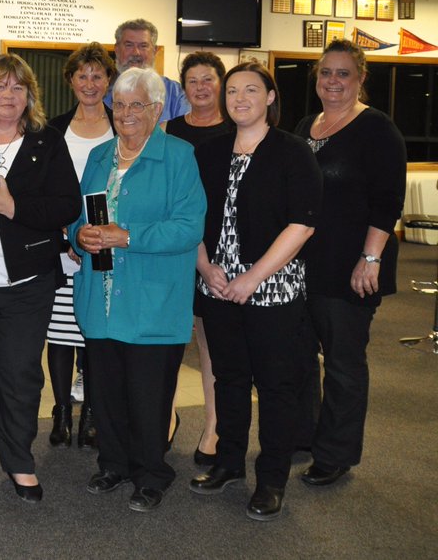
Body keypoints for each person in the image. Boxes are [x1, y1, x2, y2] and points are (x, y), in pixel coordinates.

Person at [190, 61, 321, 521]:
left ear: (270, 97)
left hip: (272, 288)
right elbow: (192, 217)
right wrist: (206, 267)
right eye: (232, 91)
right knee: (228, 378)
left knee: (275, 386)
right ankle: (228, 463)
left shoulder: (292, 151)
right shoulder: (209, 151)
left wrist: (253, 277)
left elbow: (301, 225)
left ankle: (271, 480)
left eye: (251, 90)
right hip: (218, 284)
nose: (239, 98)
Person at [70, 67, 204, 514]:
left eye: (137, 105)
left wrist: (126, 235)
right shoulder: (100, 156)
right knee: (105, 391)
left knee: (149, 397)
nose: (126, 114)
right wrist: (79, 237)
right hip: (100, 296)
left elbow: (188, 228)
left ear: (157, 109)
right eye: (119, 105)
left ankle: (151, 473)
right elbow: (79, 218)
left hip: (152, 302)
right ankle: (114, 463)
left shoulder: (179, 156)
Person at [0, 55, 81, 502]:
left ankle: (19, 459)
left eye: (18, 88)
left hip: (27, 283)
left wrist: (13, 207)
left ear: (29, 96)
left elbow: (67, 206)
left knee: (20, 372)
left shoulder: (47, 141)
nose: (9, 95)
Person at [295, 39, 406, 487]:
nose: (333, 81)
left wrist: (370, 257)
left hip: (353, 268)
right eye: (326, 73)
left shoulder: (378, 129)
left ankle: (335, 454)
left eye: (343, 73)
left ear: (360, 79)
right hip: (304, 267)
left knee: (342, 362)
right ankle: (304, 435)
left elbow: (387, 202)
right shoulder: (306, 126)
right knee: (298, 357)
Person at [45, 42, 116, 450]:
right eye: (82, 75)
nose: (90, 83)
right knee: (59, 331)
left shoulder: (120, 126)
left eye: (98, 75)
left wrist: (92, 237)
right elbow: (47, 189)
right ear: (70, 80)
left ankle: (90, 411)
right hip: (61, 242)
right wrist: (65, 236)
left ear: (108, 80)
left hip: (105, 243)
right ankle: (61, 412)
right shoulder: (54, 129)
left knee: (94, 330)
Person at [165, 50, 232, 466]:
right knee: (170, 340)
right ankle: (164, 418)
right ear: (183, 88)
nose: (202, 87)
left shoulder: (235, 129)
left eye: (209, 79)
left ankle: (212, 427)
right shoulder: (169, 130)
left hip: (217, 249)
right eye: (193, 81)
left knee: (210, 343)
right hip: (173, 247)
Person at [103, 19, 189, 123]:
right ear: (116, 49)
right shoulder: (102, 93)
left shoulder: (177, 95)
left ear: (155, 50)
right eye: (129, 45)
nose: (136, 53)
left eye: (143, 46)